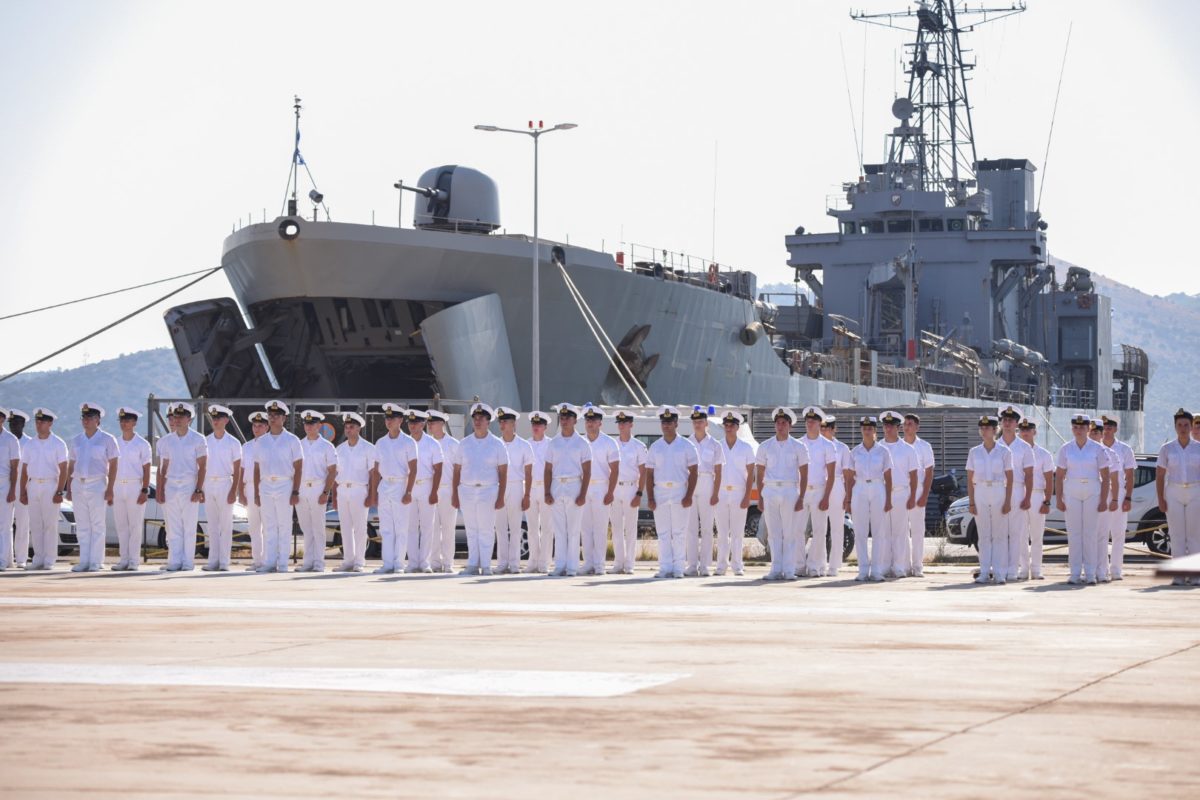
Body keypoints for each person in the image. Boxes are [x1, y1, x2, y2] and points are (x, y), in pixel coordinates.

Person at [452, 402, 508, 576]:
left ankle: (486, 565)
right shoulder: (464, 443)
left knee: (486, 529)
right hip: (467, 490)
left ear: (488, 421)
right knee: (471, 529)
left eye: (481, 418)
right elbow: (457, 470)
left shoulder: (497, 444)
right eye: (475, 418)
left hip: (488, 490)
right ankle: (472, 564)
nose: (477, 421)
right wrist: (455, 494)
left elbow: (503, 472)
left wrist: (501, 496)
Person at [1055, 413, 1110, 585]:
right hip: (1072, 490)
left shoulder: (1098, 449)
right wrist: (1059, 499)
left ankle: (1091, 573)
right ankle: (1075, 572)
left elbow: (1106, 476)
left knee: (1090, 534)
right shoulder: (1066, 448)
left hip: (1092, 490)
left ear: (1088, 429)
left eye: (1082, 427)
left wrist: (1104, 500)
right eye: (1075, 427)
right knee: (1074, 533)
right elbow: (1059, 475)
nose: (1078, 430)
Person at [755, 406, 807, 581]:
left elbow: (804, 473)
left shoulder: (798, 446)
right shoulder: (765, 446)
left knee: (790, 532)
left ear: (790, 425)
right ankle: (776, 569)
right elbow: (759, 473)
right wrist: (760, 496)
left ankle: (789, 569)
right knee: (773, 532)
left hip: (789, 489)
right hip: (770, 490)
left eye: (784, 423)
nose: (780, 426)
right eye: (778, 423)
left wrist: (801, 497)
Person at [647, 405, 698, 579]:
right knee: (663, 533)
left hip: (679, 491)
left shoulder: (687, 445)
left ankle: (678, 568)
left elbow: (694, 472)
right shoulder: (655, 447)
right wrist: (650, 497)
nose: (666, 425)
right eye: (664, 422)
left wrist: (689, 495)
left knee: (679, 533)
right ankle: (665, 568)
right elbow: (649, 474)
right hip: (660, 492)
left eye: (669, 422)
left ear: (676, 423)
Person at [66, 403, 119, 572]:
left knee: (97, 524)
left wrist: (110, 489)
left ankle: (96, 561)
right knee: (82, 525)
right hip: (78, 483)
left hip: (97, 483)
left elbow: (114, 464)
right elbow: (71, 465)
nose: (86, 421)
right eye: (84, 417)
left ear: (97, 420)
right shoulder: (76, 440)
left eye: (89, 417)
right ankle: (84, 560)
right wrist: (68, 487)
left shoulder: (107, 439)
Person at [156, 403, 208, 572]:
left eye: (181, 417)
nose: (177, 420)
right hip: (171, 485)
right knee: (173, 526)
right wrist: (160, 490)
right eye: (175, 417)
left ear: (189, 419)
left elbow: (202, 466)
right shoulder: (166, 441)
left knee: (189, 526)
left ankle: (187, 562)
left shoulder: (198, 439)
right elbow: (163, 468)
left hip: (189, 484)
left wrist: (198, 489)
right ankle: (174, 560)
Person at [254, 401, 303, 574]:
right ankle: (269, 562)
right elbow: (257, 468)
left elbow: (298, 467)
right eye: (270, 415)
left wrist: (295, 490)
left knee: (284, 525)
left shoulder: (292, 440)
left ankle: (282, 563)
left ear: (284, 418)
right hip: (266, 484)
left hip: (284, 483)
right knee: (269, 525)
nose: (272, 418)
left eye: (276, 415)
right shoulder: (261, 441)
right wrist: (256, 492)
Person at [543, 403, 591, 577]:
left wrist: (583, 494)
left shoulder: (582, 443)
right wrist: (547, 492)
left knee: (574, 530)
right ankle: (560, 565)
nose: (564, 421)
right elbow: (548, 469)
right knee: (559, 530)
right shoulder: (553, 443)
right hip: (557, 485)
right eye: (562, 418)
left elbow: (587, 471)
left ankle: (572, 567)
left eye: (567, 418)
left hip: (574, 485)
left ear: (575, 420)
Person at [18, 408, 68, 570]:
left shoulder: (58, 443)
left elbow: (64, 468)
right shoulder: (30, 444)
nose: (39, 425)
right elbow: (24, 469)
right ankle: (38, 558)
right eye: (37, 421)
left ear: (50, 423)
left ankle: (49, 559)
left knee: (50, 524)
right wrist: (23, 491)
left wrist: (59, 491)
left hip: (50, 484)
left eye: (43, 422)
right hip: (33, 485)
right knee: (35, 524)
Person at [967, 414, 1013, 584]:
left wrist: (1008, 501)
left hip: (998, 489)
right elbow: (970, 479)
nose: (984, 430)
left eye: (987, 428)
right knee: (984, 535)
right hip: (980, 491)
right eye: (982, 428)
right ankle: (985, 572)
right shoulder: (974, 452)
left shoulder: (1004, 451)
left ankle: (1000, 573)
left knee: (999, 535)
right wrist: (971, 502)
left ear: (995, 430)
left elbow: (1010, 478)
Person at [845, 416, 892, 582]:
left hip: (878, 487)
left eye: (870, 428)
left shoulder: (883, 451)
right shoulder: (855, 452)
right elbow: (849, 478)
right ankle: (863, 570)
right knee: (860, 531)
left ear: (875, 430)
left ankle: (877, 570)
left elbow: (888, 476)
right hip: (860, 488)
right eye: (864, 428)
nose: (867, 431)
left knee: (879, 532)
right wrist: (848, 499)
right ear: (861, 430)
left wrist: (889, 499)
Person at [1156, 409, 1200, 586]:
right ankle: (1179, 575)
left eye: (1186, 425)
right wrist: (1161, 499)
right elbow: (1160, 475)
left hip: (1195, 490)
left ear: (1191, 426)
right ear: (1175, 427)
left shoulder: (1198, 447)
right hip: (1173, 491)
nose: (1183, 428)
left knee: (1194, 536)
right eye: (1179, 425)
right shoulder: (1167, 448)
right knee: (1176, 535)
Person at [375, 403, 418, 574]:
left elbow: (413, 469)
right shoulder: (380, 442)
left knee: (401, 527)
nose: (389, 421)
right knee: (386, 528)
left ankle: (399, 563)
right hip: (385, 485)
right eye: (387, 418)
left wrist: (409, 491)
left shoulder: (408, 442)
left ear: (400, 420)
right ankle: (387, 563)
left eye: (392, 418)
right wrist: (374, 492)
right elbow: (376, 469)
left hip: (401, 484)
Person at [333, 411, 378, 573]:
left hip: (359, 490)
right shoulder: (340, 449)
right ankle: (348, 561)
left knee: (360, 527)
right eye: (346, 427)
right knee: (345, 528)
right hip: (342, 489)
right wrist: (334, 496)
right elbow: (335, 474)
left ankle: (359, 561)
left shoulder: (368, 448)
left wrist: (372, 495)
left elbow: (373, 474)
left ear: (359, 428)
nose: (348, 430)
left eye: (351, 427)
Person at [683, 405, 724, 577]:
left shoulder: (715, 444)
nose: (697, 424)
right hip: (690, 483)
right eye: (695, 422)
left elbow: (719, 471)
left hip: (707, 481)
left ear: (706, 423)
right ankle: (692, 565)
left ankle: (705, 565)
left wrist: (715, 493)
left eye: (700, 421)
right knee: (690, 528)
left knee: (707, 527)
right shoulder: (686, 443)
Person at [110, 406, 152, 571]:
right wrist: (109, 489)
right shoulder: (115, 442)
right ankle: (123, 559)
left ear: (134, 422)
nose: (124, 423)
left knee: (135, 525)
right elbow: (110, 467)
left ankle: (134, 561)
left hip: (135, 485)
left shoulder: (142, 444)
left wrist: (145, 489)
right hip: (117, 486)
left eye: (127, 420)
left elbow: (147, 469)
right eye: (121, 420)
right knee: (121, 525)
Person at [714, 410, 755, 577]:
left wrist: (747, 496)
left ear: (738, 427)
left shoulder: (746, 447)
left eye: (732, 425)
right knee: (722, 533)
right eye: (726, 425)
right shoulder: (718, 446)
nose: (728, 428)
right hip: (721, 493)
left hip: (739, 493)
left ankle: (737, 565)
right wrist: (714, 494)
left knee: (737, 532)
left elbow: (751, 474)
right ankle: (721, 566)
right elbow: (714, 472)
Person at [295, 410, 337, 573]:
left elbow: (332, 471)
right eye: (306, 424)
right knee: (306, 528)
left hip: (318, 487)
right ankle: (308, 562)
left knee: (318, 527)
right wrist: (295, 491)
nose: (308, 427)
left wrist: (326, 492)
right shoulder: (299, 444)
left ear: (319, 425)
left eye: (312, 424)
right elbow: (294, 469)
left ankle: (319, 562)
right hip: (302, 487)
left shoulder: (327, 446)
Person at [878, 411, 918, 579]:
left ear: (898, 427)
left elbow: (914, 475)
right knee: (883, 532)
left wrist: (912, 496)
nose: (888, 428)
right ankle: (884, 566)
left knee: (900, 532)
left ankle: (900, 567)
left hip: (901, 492)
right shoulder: (877, 447)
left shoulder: (907, 449)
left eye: (891, 425)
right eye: (885, 425)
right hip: (881, 492)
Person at [201, 404, 242, 572]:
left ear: (226, 420)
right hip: (208, 483)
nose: (215, 421)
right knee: (212, 525)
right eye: (214, 418)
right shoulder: (206, 441)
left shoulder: (233, 442)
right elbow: (201, 466)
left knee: (225, 525)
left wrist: (234, 490)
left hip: (225, 483)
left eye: (218, 418)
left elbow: (238, 469)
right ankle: (213, 560)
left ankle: (224, 561)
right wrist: (201, 488)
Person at [797, 406, 836, 578]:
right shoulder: (798, 443)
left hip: (819, 490)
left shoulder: (827, 445)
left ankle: (814, 565)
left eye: (813, 421)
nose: (810, 423)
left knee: (820, 531)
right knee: (797, 530)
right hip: (801, 491)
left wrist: (826, 496)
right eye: (808, 420)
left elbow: (831, 475)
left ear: (820, 423)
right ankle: (799, 565)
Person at [581, 404, 619, 576]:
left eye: (593, 420)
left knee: (600, 528)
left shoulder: (609, 442)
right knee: (585, 528)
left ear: (600, 423)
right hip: (584, 487)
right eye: (588, 420)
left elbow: (615, 469)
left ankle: (599, 565)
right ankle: (588, 563)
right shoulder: (580, 442)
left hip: (601, 487)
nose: (590, 423)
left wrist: (610, 492)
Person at [997, 406, 1034, 582]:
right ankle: (1001, 568)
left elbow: (1029, 474)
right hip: (998, 490)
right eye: (1004, 420)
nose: (1007, 423)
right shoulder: (995, 445)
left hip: (1017, 489)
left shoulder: (1024, 447)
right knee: (1000, 532)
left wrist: (1027, 496)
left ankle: (1015, 569)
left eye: (1010, 420)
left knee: (1016, 532)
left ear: (1016, 424)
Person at [494, 406, 532, 575]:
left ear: (513, 424)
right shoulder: (495, 444)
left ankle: (515, 564)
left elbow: (529, 473)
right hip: (498, 486)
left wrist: (527, 494)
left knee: (516, 527)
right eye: (500, 422)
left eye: (505, 421)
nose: (502, 425)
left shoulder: (524, 445)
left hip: (516, 485)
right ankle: (502, 563)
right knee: (500, 527)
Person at [405, 409, 443, 574]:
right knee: (410, 526)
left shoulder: (432, 443)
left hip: (426, 485)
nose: (412, 426)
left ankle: (425, 562)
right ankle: (413, 562)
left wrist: (434, 491)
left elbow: (438, 469)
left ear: (423, 424)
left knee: (428, 526)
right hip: (408, 486)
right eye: (410, 423)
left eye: (415, 423)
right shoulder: (404, 442)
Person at [1016, 418, 1054, 581]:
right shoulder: (1014, 451)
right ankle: (1024, 569)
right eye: (1022, 430)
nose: (1025, 433)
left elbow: (1049, 479)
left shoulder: (1044, 454)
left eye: (1028, 430)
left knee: (1037, 535)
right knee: (1021, 535)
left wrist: (1047, 501)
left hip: (1037, 495)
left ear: (1034, 432)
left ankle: (1037, 569)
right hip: (1019, 493)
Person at [609, 410, 647, 575]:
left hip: (631, 487)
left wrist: (639, 493)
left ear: (631, 424)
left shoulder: (639, 446)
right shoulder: (612, 444)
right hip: (615, 488)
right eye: (619, 423)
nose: (621, 425)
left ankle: (630, 563)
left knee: (631, 529)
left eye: (624, 423)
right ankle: (618, 563)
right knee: (616, 528)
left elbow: (643, 471)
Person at [1101, 415, 1136, 581]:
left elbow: (1130, 475)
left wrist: (1128, 497)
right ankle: (1102, 568)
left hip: (1119, 493)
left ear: (1115, 429)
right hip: (1100, 492)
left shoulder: (1125, 449)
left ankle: (1116, 570)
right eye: (1104, 427)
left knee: (1118, 533)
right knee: (1100, 533)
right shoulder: (1096, 447)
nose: (1106, 430)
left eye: (1109, 427)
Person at [902, 413, 936, 578]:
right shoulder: (898, 445)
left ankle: (917, 566)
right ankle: (904, 565)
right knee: (902, 530)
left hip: (918, 490)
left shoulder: (924, 446)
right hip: (901, 490)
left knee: (917, 530)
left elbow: (929, 473)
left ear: (917, 427)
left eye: (910, 424)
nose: (906, 427)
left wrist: (924, 495)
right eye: (905, 424)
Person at [427, 409, 461, 573]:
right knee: (432, 529)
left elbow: (458, 471)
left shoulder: (454, 444)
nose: (430, 426)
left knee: (448, 529)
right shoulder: (427, 443)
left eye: (433, 423)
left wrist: (456, 493)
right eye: (429, 423)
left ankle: (448, 563)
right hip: (430, 490)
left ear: (441, 423)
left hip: (448, 490)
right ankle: (434, 563)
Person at [237, 411, 270, 571]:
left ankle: (268, 560)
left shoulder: (271, 444)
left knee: (268, 526)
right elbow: (241, 470)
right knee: (254, 527)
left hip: (266, 487)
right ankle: (257, 560)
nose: (257, 429)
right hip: (249, 487)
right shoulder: (247, 447)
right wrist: (240, 492)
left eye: (260, 426)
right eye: (255, 426)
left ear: (267, 427)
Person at [1087, 420, 1118, 582]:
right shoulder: (1082, 451)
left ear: (1101, 434)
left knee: (1102, 535)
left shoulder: (1110, 453)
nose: (1094, 435)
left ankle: (1102, 571)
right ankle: (1089, 569)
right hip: (1086, 496)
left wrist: (1114, 499)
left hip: (1104, 496)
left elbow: (1114, 479)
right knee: (1088, 535)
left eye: (1097, 432)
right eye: (1092, 432)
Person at [821, 416, 852, 576]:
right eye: (822, 428)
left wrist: (847, 496)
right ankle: (819, 563)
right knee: (819, 527)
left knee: (837, 527)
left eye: (827, 428)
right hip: (820, 484)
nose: (824, 431)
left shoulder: (842, 448)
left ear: (834, 430)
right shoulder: (815, 445)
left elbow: (847, 474)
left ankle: (834, 565)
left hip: (837, 484)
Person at [523, 411, 553, 573]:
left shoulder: (551, 444)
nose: (536, 427)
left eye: (539, 424)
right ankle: (533, 560)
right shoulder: (525, 444)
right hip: (530, 487)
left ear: (545, 427)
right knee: (532, 527)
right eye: (534, 424)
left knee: (547, 527)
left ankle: (545, 562)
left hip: (546, 488)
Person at [7, 409, 32, 569]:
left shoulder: (30, 443)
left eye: (16, 423)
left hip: (23, 486)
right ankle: (6, 557)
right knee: (5, 524)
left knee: (23, 524)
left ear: (23, 424)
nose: (13, 426)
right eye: (11, 423)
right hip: (6, 485)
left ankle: (21, 558)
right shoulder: (5, 440)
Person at [0, 407, 21, 571]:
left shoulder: (10, 439)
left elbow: (15, 468)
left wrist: (13, 489)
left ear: (2, 419)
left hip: (4, 483)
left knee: (5, 524)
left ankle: (2, 560)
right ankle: (6, 560)